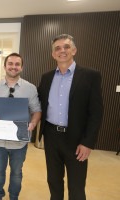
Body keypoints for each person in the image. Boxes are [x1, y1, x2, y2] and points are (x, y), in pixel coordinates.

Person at [38, 34, 103, 200]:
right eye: (57, 48)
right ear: (53, 54)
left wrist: (88, 142)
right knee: (53, 181)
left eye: (66, 47)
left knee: (76, 186)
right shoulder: (46, 78)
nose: (62, 51)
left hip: (76, 139)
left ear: (74, 50)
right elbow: (37, 104)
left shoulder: (90, 75)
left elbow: (96, 112)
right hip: (51, 137)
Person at [0, 53, 41, 200]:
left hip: (19, 142)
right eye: (10, 64)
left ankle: (13, 197)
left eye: (17, 64)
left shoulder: (30, 88)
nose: (13, 67)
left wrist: (33, 122)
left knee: (16, 173)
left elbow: (36, 110)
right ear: (5, 66)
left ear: (21, 67)